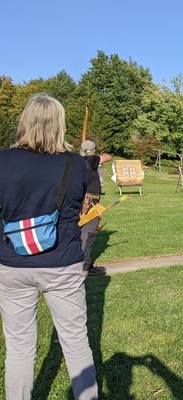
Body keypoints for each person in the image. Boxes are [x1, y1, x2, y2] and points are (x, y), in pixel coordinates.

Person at [0, 94, 98, 399]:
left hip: (11, 263)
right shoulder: (75, 163)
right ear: (59, 124)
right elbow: (81, 202)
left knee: (19, 347)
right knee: (76, 341)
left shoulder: (3, 160)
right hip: (62, 263)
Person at [80, 140, 112, 276]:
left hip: (81, 201)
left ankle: (83, 264)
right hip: (90, 202)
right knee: (88, 233)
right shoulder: (91, 160)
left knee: (81, 232)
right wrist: (96, 155)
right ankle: (85, 267)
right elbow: (108, 157)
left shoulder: (78, 162)